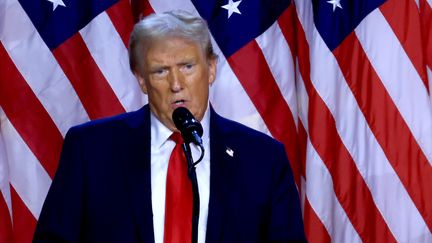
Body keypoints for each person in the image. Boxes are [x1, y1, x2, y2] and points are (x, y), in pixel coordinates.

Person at [33, 10, 306, 243]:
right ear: (141, 79)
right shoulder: (91, 150)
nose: (176, 84)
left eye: (187, 66)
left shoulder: (262, 159)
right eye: (160, 71)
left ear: (211, 69)